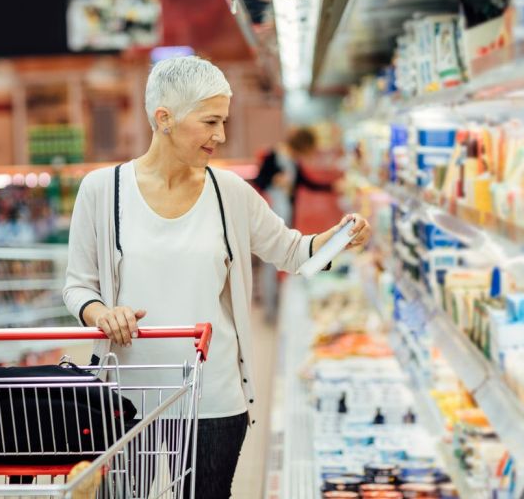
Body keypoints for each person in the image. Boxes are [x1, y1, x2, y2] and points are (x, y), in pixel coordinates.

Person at [62, 55, 371, 498]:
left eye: (222, 121)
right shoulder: (101, 190)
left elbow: (292, 252)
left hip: (213, 395)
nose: (221, 136)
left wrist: (339, 237)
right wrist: (100, 313)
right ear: (164, 119)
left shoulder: (230, 193)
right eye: (210, 122)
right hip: (125, 397)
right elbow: (78, 285)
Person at [253, 127, 337, 321]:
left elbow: (306, 183)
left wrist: (331, 186)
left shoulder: (294, 162)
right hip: (271, 215)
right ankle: (269, 309)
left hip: (286, 215)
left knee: (282, 258)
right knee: (270, 262)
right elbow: (259, 180)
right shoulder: (273, 156)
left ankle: (276, 305)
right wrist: (275, 180)